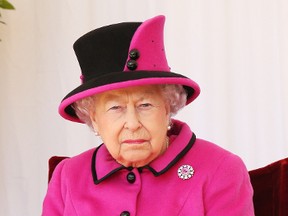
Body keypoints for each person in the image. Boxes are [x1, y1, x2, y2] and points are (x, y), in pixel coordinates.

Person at [42, 15, 254, 215]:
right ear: (94, 119)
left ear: (168, 107)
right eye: (115, 108)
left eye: (145, 104)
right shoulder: (68, 176)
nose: (132, 124)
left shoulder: (220, 169)